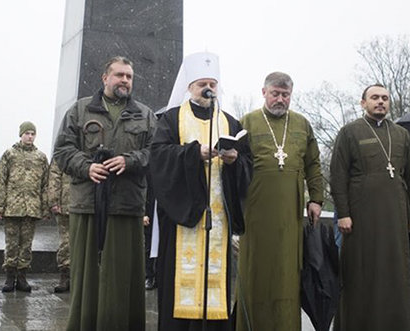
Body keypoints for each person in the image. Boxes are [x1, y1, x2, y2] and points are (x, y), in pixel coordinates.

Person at [150, 52, 252, 331]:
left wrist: (234, 161)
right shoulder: (171, 119)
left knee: (216, 286)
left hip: (218, 220)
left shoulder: (230, 122)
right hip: (183, 216)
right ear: (189, 87)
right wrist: (194, 154)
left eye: (213, 84)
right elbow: (158, 157)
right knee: (178, 283)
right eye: (202, 84)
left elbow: (247, 163)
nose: (209, 89)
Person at [54, 56, 156, 330]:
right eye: (119, 75)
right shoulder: (80, 110)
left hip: (127, 206)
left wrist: (130, 161)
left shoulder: (145, 115)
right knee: (87, 277)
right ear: (105, 78)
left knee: (124, 277)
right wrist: (87, 168)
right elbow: (62, 151)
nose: (125, 80)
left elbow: (155, 154)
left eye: (129, 76)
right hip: (87, 205)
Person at [329, 84, 410, 331]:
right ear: (363, 103)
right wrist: (344, 213)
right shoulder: (349, 132)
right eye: (374, 98)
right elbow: (338, 176)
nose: (380, 102)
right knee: (361, 274)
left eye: (384, 98)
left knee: (395, 274)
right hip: (360, 218)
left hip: (396, 217)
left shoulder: (402, 135)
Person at [235, 72, 324, 331]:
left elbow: (313, 164)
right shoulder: (247, 122)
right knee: (255, 273)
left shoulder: (302, 124)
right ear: (264, 92)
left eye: (286, 95)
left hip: (290, 212)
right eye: (275, 93)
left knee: (287, 273)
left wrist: (316, 199)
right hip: (255, 210)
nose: (280, 99)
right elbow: (235, 166)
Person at [0, 121, 50, 293]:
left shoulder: (41, 157)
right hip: (12, 207)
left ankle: (22, 277)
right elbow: (0, 181)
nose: (30, 136)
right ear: (21, 134)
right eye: (27, 133)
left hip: (31, 208)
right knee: (11, 244)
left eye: (33, 133)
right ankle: (10, 277)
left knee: (26, 245)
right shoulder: (10, 155)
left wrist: (45, 207)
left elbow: (45, 185)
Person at [48, 159, 71, 293]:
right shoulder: (62, 154)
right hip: (65, 204)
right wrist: (54, 201)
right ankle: (65, 275)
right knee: (66, 242)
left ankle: (78, 277)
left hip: (86, 204)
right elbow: (54, 178)